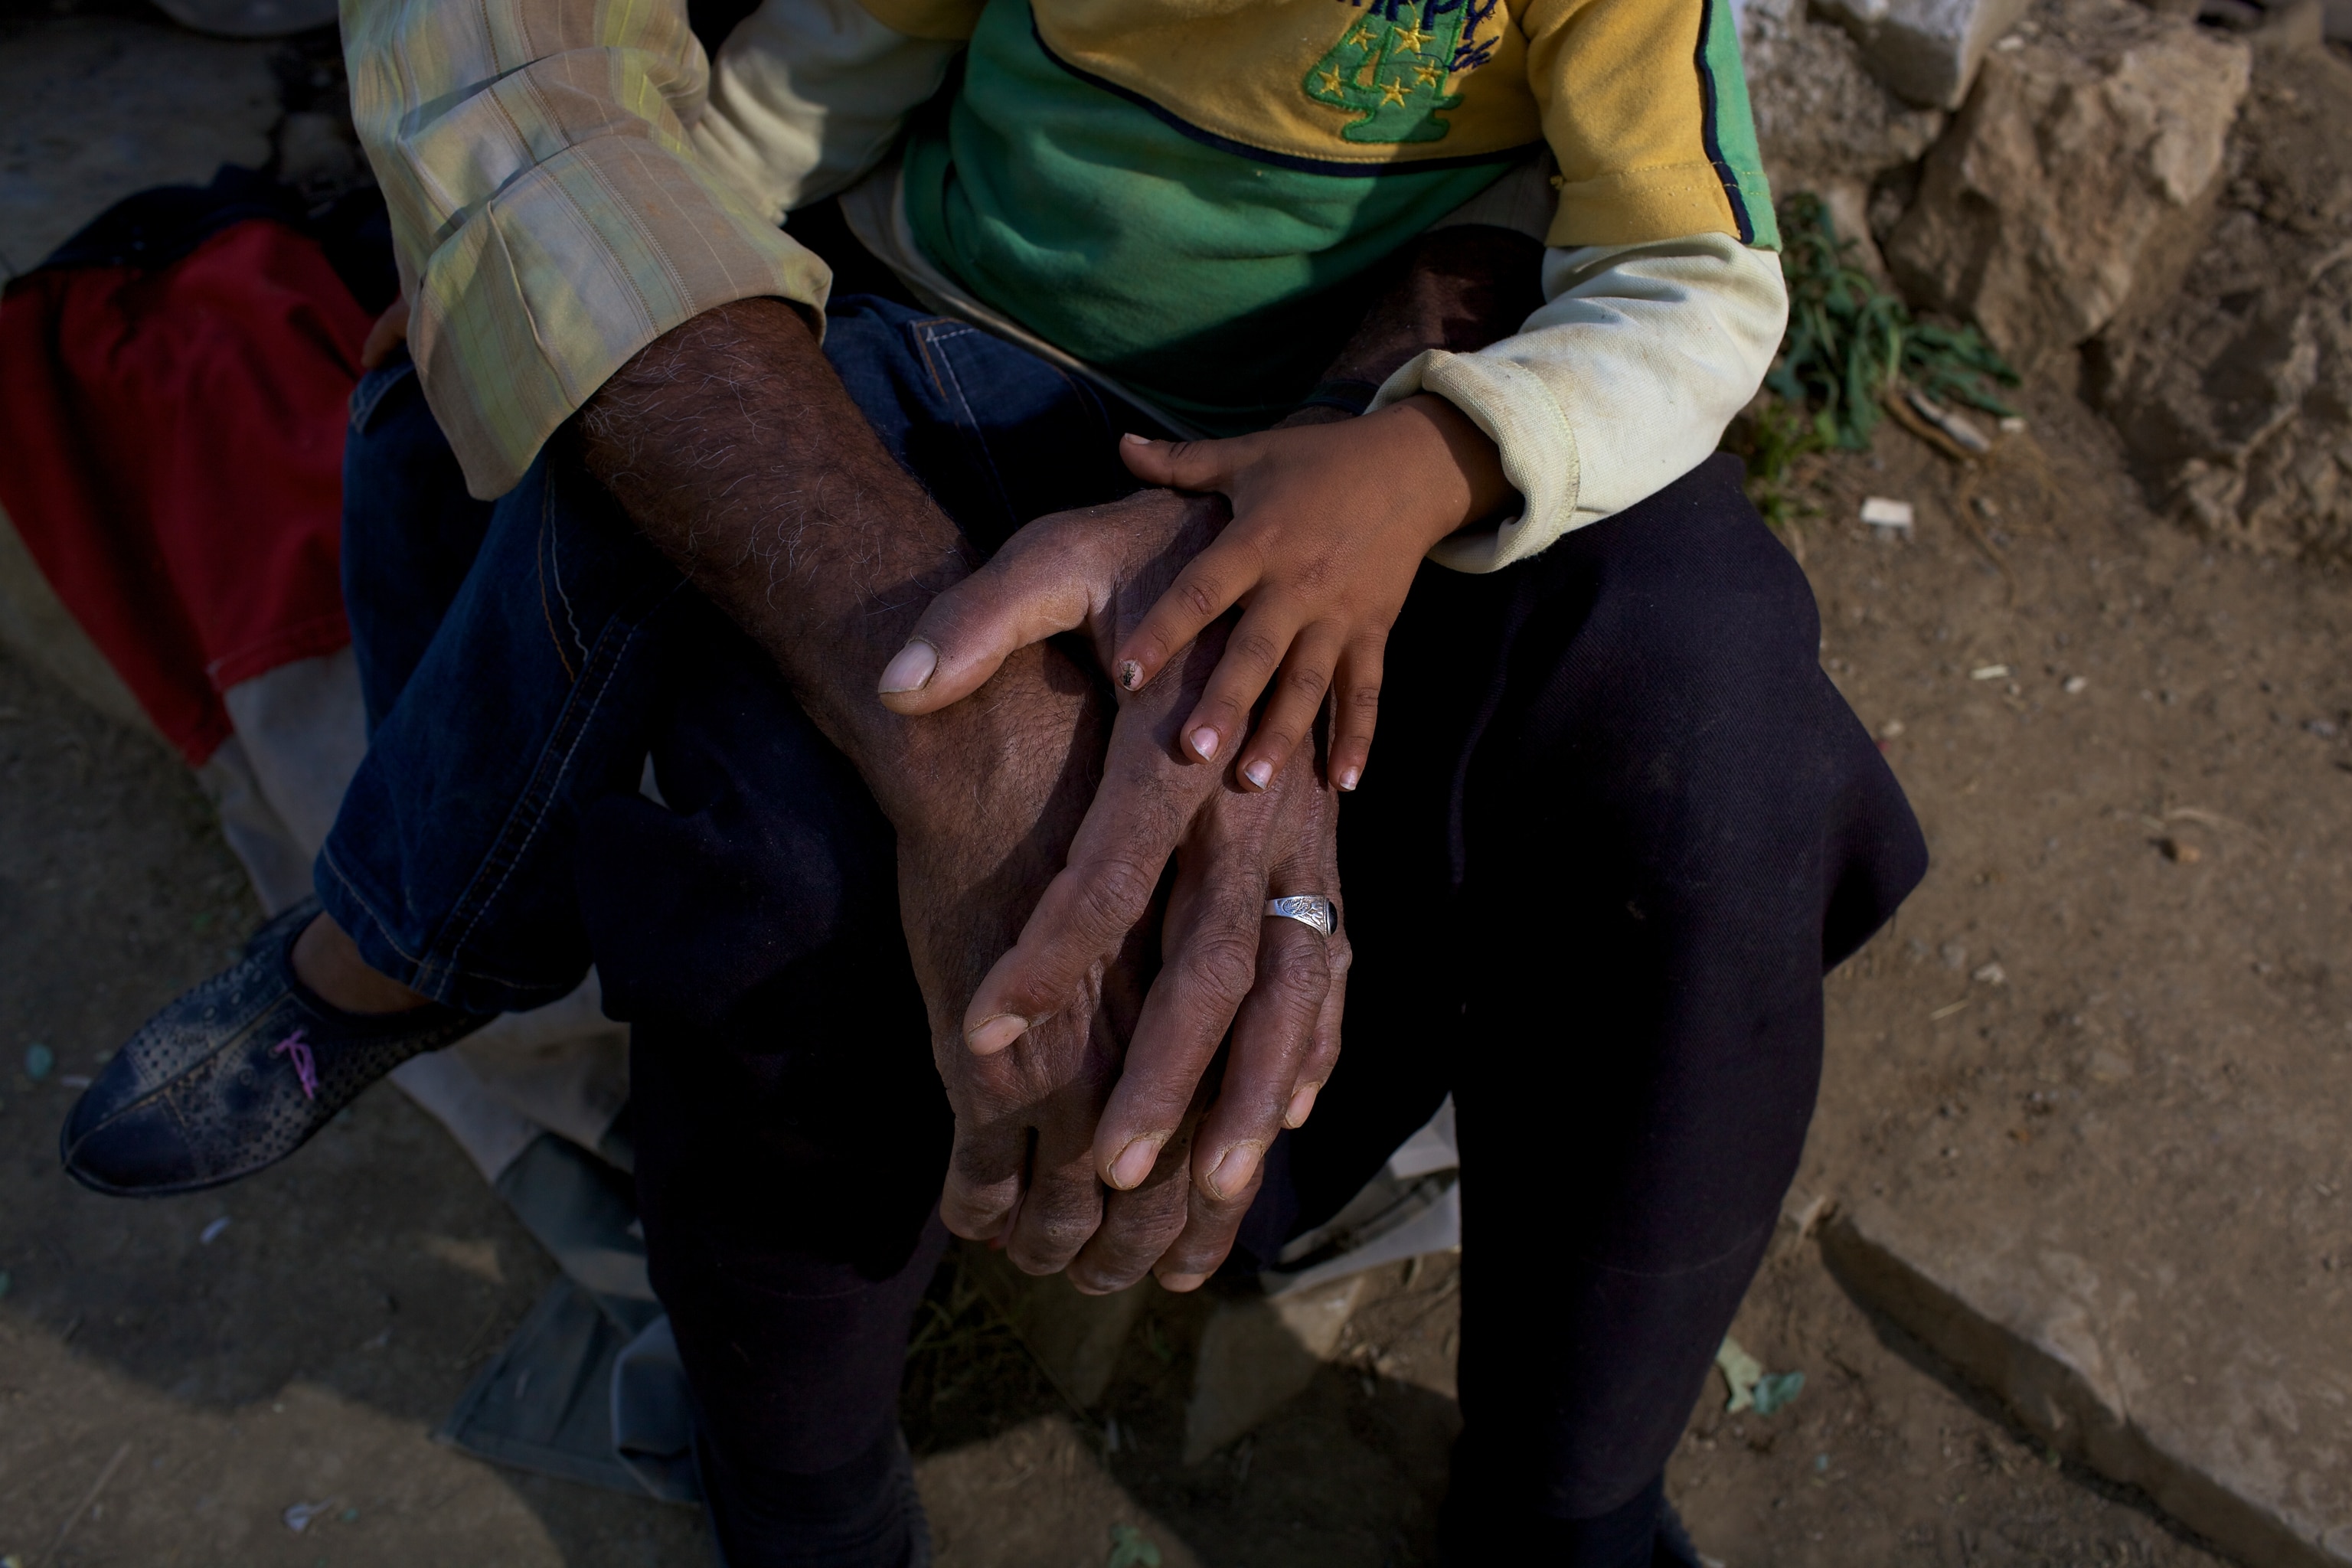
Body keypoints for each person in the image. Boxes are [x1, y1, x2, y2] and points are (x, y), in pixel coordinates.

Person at [64, 0, 1929, 1558]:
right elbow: (812, 85)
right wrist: (566, 300)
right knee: (546, 446)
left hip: (1313, 456)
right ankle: (414, 948)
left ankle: (1572, 1494)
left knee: (1715, 733)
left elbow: (1693, 278)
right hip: (945, 355)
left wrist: (1431, 459)